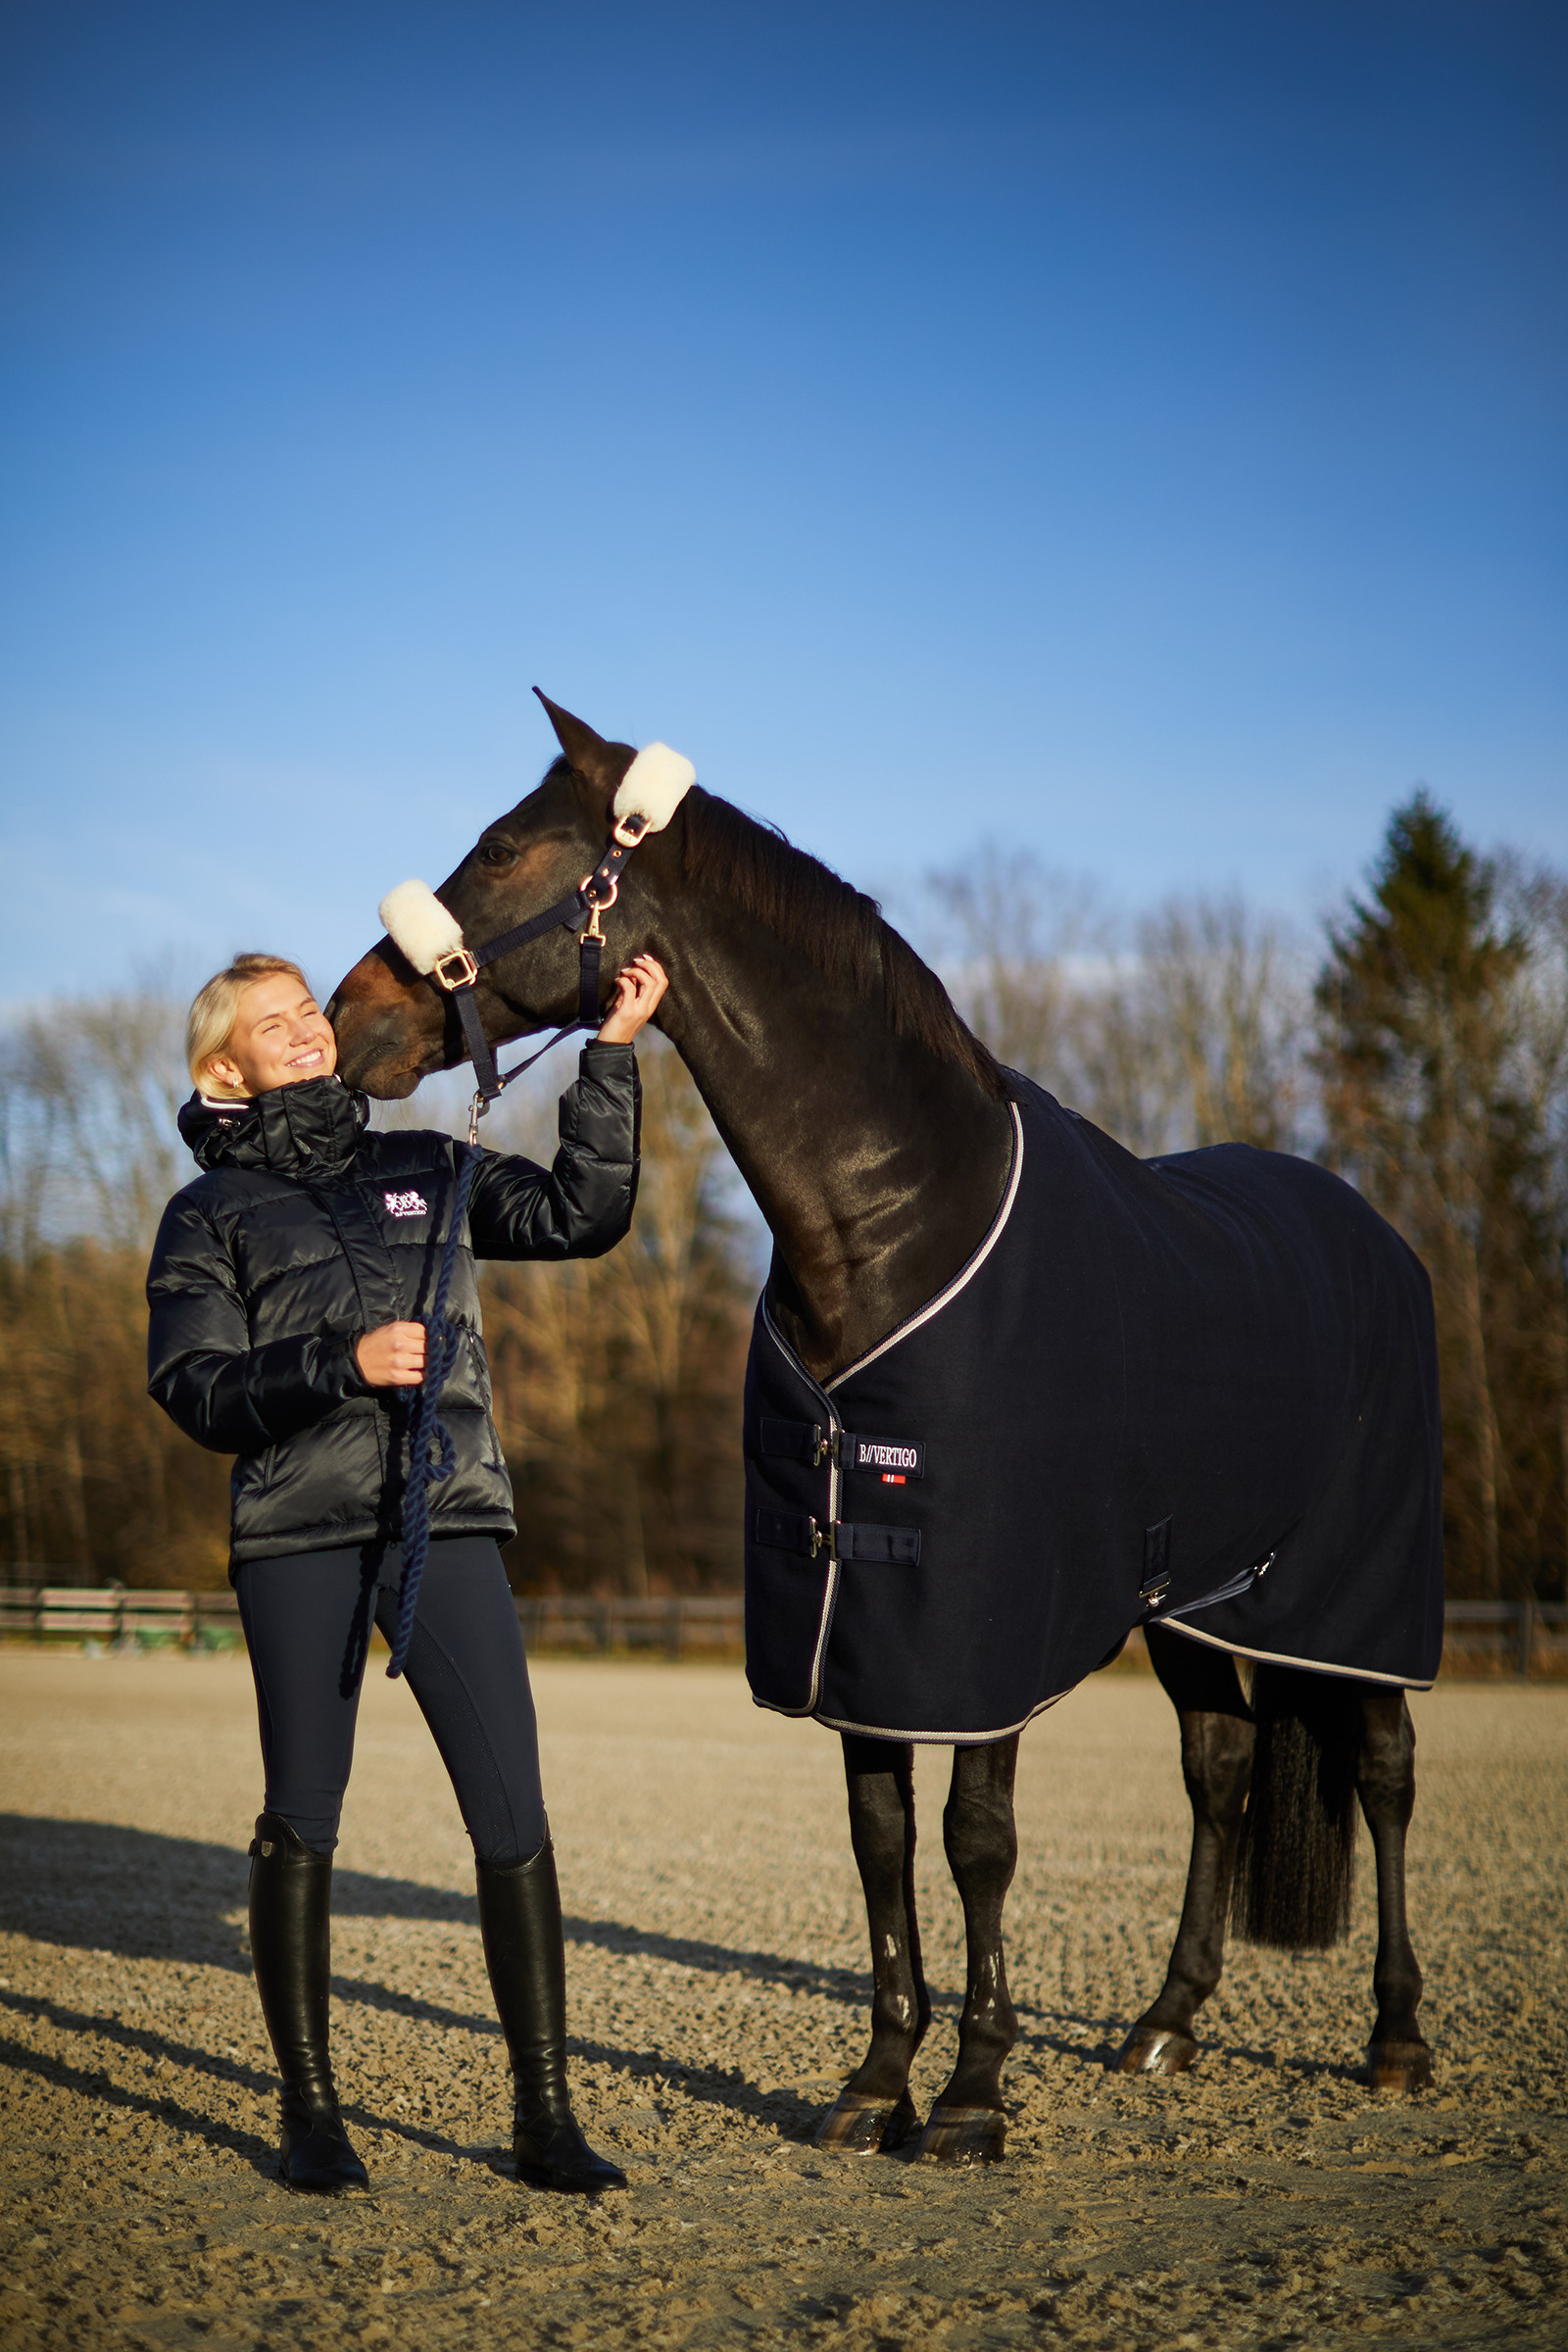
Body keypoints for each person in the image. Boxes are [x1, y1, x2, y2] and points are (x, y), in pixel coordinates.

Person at [147, 948, 667, 2194]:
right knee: (303, 1819)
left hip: (450, 1520)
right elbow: (195, 1389)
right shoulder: (204, 1214)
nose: (309, 1032)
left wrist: (608, 1056)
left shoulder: (425, 1163)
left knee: (512, 1817)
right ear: (226, 1067)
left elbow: (580, 1216)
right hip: (299, 1536)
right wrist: (341, 1362)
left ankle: (544, 2118)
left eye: (308, 1012)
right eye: (276, 1025)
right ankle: (309, 2112)